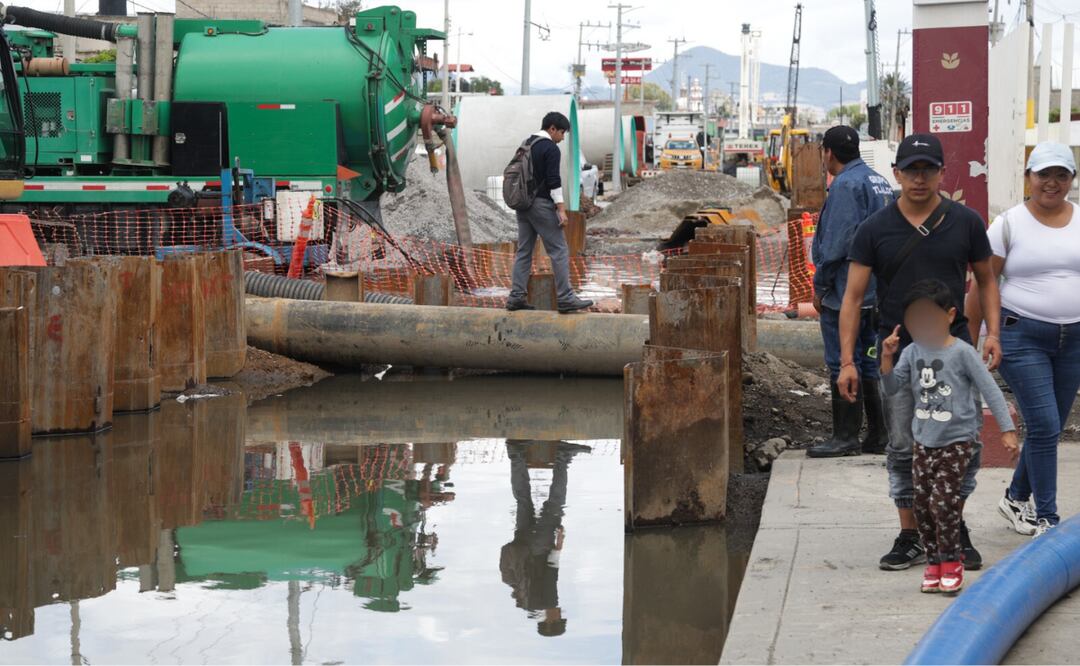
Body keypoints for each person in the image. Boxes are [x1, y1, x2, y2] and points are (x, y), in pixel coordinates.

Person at [838, 133, 1003, 571]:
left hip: (954, 351)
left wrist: (992, 334)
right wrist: (849, 361)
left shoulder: (965, 222)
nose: (919, 177)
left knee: (961, 443)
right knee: (901, 445)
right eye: (910, 169)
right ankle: (911, 533)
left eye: (927, 169)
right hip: (898, 351)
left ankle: (952, 525)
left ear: (941, 173)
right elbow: (853, 298)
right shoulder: (875, 228)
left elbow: (987, 280)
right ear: (897, 173)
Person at [966, 142, 1080, 539]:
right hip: (1021, 335)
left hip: (1074, 339)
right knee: (1046, 424)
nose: (1052, 182)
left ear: (1071, 180)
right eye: (1044, 174)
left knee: (1050, 426)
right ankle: (1047, 518)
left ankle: (1015, 496)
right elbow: (983, 284)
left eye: (1061, 175)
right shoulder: (1008, 224)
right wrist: (977, 339)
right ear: (1028, 177)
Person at [880, 280, 1017, 593]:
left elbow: (990, 389)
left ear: (949, 314)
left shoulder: (963, 353)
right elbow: (892, 388)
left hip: (957, 440)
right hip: (922, 442)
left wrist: (1007, 430)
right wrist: (887, 357)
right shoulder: (912, 352)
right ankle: (933, 562)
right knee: (924, 504)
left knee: (944, 502)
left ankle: (952, 560)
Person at [807, 126, 895, 458]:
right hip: (876, 291)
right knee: (871, 361)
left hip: (847, 290)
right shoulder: (878, 180)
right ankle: (878, 435)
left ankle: (845, 436)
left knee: (842, 360)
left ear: (828, 152)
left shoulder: (845, 185)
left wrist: (822, 285)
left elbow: (835, 244)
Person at [499, 439, 590, 637]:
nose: (560, 612)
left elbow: (550, 572)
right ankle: (516, 453)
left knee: (555, 506)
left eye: (559, 617)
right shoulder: (525, 603)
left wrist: (558, 545)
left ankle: (563, 456)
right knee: (523, 500)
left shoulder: (548, 602)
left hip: (539, 547)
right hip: (522, 544)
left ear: (551, 620)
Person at [506, 112, 594, 314]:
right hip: (541, 205)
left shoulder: (526, 143)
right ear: (552, 128)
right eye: (562, 133)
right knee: (559, 250)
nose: (562, 138)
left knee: (524, 251)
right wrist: (561, 209)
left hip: (523, 204)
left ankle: (516, 297)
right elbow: (554, 181)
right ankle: (565, 298)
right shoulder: (550, 148)